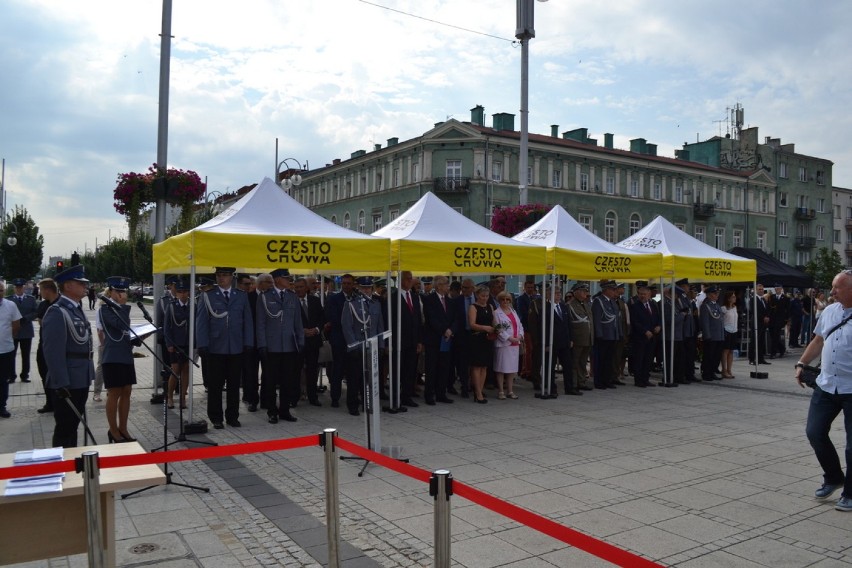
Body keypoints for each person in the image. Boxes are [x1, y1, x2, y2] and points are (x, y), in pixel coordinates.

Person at [795, 270, 852, 511]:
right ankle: (834, 477)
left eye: (837, 287)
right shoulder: (829, 312)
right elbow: (818, 340)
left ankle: (850, 492)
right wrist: (802, 363)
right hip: (827, 385)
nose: (832, 292)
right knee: (814, 432)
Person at [42, 264, 95, 447]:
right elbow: (52, 352)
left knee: (73, 427)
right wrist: (61, 382)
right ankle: (61, 467)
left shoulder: (76, 309)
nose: (85, 286)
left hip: (80, 377)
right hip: (68, 381)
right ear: (68, 286)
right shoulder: (57, 312)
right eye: (80, 283)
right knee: (65, 429)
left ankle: (72, 466)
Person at [196, 266, 254, 429]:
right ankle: (216, 417)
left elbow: (247, 321)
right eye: (219, 275)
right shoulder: (208, 296)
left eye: (225, 275)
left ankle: (232, 416)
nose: (221, 278)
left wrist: (248, 342)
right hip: (216, 347)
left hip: (236, 346)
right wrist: (202, 344)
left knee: (234, 385)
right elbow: (202, 322)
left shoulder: (241, 296)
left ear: (232, 277)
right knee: (215, 385)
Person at [255, 268, 302, 424]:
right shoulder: (264, 297)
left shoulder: (292, 297)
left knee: (287, 380)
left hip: (289, 345)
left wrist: (300, 341)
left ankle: (284, 410)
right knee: (270, 381)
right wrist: (262, 344)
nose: (289, 280)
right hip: (271, 346)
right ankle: (271, 411)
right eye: (286, 278)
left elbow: (297, 322)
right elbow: (260, 323)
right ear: (276, 279)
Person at [99, 276, 140, 443]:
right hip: (113, 356)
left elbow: (126, 330)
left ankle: (123, 428)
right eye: (118, 291)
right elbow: (120, 325)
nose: (122, 294)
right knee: (114, 393)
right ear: (110, 292)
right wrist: (123, 306)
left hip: (125, 355)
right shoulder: (105, 309)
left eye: (124, 291)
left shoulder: (121, 308)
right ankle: (113, 430)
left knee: (127, 391)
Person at [340, 276, 385, 416]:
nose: (366, 290)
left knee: (370, 379)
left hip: (372, 347)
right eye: (363, 288)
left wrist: (381, 345)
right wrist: (353, 346)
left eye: (368, 287)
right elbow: (346, 326)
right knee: (354, 378)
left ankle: (368, 404)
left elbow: (379, 326)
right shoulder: (351, 303)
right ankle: (353, 405)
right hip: (357, 347)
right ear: (358, 288)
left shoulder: (375, 304)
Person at [422, 275, 456, 405]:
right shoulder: (429, 300)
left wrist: (451, 330)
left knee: (444, 367)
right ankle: (429, 394)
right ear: (439, 286)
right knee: (431, 368)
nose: (448, 286)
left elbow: (455, 318)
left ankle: (441, 393)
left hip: (447, 339)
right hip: (434, 339)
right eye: (446, 284)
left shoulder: (450, 300)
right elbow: (431, 319)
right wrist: (444, 330)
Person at [294, 277, 325, 407]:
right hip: (298, 343)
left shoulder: (315, 301)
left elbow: (322, 317)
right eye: (297, 287)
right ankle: (295, 397)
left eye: (301, 287)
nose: (299, 290)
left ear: (306, 288)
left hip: (313, 341)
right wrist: (301, 331)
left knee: (312, 370)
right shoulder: (292, 301)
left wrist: (317, 330)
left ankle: (313, 397)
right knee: (296, 370)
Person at [164, 279, 192, 409]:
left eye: (185, 291)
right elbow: (167, 327)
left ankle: (182, 398)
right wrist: (169, 343)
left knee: (186, 369)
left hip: (188, 343)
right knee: (175, 370)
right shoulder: (171, 306)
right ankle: (169, 397)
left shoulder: (193, 305)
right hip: (175, 343)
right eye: (180, 291)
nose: (182, 294)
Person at [493, 290, 523, 399]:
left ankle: (510, 390)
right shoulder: (497, 312)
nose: (505, 301)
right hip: (504, 344)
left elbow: (519, 325)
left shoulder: (513, 311)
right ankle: (501, 391)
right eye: (503, 299)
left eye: (508, 299)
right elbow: (498, 329)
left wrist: (520, 336)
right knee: (501, 368)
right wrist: (510, 338)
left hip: (515, 344)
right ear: (499, 301)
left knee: (512, 369)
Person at [467, 285, 495, 403]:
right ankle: (477, 392)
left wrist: (496, 328)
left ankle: (480, 390)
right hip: (477, 339)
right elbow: (472, 324)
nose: (485, 298)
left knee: (484, 366)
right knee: (477, 366)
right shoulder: (473, 307)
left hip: (487, 339)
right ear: (477, 295)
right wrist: (484, 328)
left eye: (487, 296)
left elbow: (493, 321)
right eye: (482, 296)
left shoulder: (490, 306)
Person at [592, 280, 622, 390]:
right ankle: (599, 381)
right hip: (603, 335)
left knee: (609, 360)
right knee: (601, 360)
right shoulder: (598, 301)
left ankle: (607, 380)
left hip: (612, 335)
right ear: (607, 290)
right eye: (613, 289)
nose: (615, 291)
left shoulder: (612, 301)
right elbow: (597, 319)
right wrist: (599, 334)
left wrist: (619, 333)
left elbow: (617, 319)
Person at [35, 279, 59, 413]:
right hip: (43, 345)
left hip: (57, 347)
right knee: (44, 374)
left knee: (56, 376)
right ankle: (49, 403)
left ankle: (58, 403)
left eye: (41, 289)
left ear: (47, 290)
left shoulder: (61, 303)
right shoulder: (43, 305)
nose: (40, 292)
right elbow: (41, 323)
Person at [8, 278, 36, 384]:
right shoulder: (9, 299)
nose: (19, 289)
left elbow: (35, 312)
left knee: (26, 355)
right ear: (14, 288)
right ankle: (11, 375)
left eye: (21, 287)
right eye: (17, 287)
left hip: (26, 330)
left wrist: (26, 318)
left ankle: (25, 375)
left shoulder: (31, 299)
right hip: (13, 331)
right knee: (11, 354)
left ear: (24, 288)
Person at [0, 282, 22, 418]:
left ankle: (1, 406)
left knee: (3, 380)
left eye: (1, 290)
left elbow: (16, 325)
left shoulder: (10, 305)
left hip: (5, 349)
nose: (0, 293)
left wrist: (8, 337)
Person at [567, 282, 593, 391]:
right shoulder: (570, 305)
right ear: (576, 292)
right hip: (577, 338)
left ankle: (581, 382)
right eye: (583, 291)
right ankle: (574, 383)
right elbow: (570, 323)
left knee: (583, 362)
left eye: (586, 291)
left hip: (587, 338)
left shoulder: (585, 304)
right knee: (575, 362)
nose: (585, 293)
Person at [699, 285, 724, 381]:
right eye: (715, 293)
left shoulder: (716, 305)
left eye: (717, 293)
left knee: (716, 356)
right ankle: (706, 373)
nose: (717, 295)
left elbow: (720, 321)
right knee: (709, 355)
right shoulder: (705, 306)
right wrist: (707, 335)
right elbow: (705, 322)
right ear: (709, 294)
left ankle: (712, 371)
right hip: (711, 336)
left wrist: (722, 334)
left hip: (719, 335)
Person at [767, 284, 790, 358]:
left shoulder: (785, 298)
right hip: (772, 319)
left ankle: (773, 353)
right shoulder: (772, 297)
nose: (777, 290)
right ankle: (782, 349)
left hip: (780, 319)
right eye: (776, 289)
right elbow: (769, 307)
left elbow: (788, 309)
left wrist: (786, 319)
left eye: (778, 289)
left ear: (781, 289)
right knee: (773, 336)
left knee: (776, 335)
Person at [720, 290, 738, 379]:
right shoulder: (723, 308)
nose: (735, 298)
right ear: (728, 298)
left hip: (734, 331)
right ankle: (724, 370)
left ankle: (729, 369)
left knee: (731, 351)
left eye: (735, 296)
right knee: (725, 351)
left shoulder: (735, 307)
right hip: (727, 330)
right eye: (733, 297)